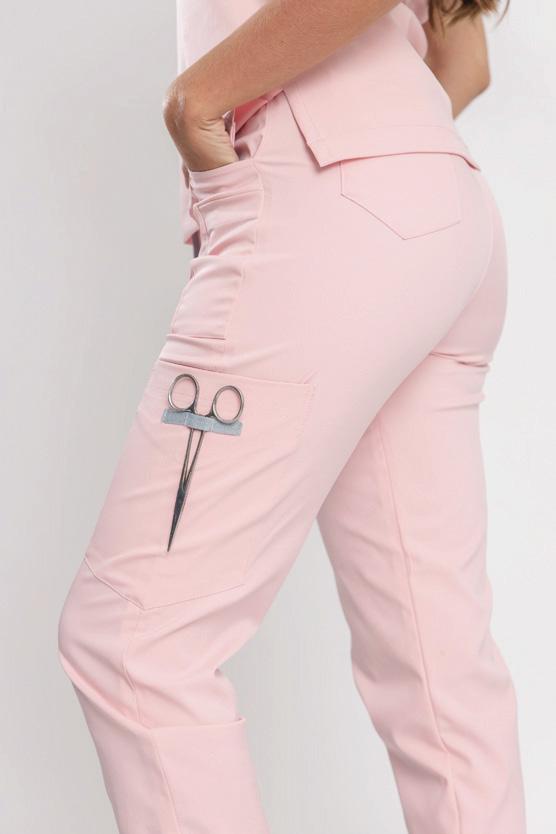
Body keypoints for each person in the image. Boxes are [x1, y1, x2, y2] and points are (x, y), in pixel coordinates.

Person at [58, 1, 527, 833]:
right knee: (436, 670)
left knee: (134, 638)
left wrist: (197, 102)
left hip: (322, 204)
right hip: (437, 209)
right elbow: (467, 64)